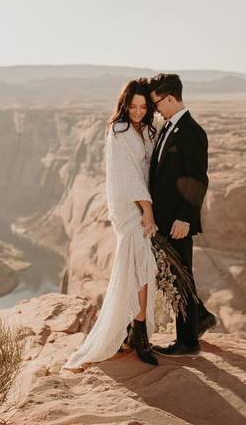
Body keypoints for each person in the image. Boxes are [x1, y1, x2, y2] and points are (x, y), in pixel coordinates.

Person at [63, 79, 160, 371]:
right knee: (141, 268)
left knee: (140, 269)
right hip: (130, 208)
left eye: (143, 107)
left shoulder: (147, 130)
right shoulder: (118, 131)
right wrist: (147, 209)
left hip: (143, 204)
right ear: (124, 105)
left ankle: (132, 328)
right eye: (133, 106)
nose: (138, 112)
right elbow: (126, 176)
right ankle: (137, 331)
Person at [147, 72, 217, 356]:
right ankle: (200, 317)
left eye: (156, 104)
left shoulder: (192, 131)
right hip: (162, 220)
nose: (155, 110)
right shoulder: (167, 127)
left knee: (180, 275)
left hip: (178, 221)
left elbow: (198, 178)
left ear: (171, 98)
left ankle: (188, 342)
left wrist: (185, 217)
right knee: (172, 275)